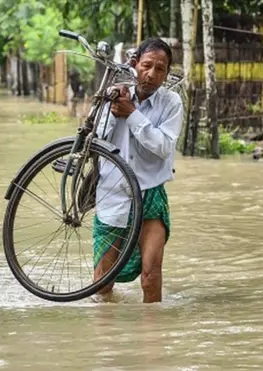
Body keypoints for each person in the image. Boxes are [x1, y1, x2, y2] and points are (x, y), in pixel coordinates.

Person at [92, 38, 183, 303]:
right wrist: (112, 108)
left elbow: (164, 146)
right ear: (135, 64)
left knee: (151, 276)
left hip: (150, 192)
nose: (152, 74)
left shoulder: (171, 103)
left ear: (167, 73)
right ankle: (106, 340)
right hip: (113, 192)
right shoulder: (113, 92)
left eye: (160, 69)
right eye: (147, 65)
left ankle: (151, 341)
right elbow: (96, 139)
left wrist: (132, 114)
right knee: (103, 282)